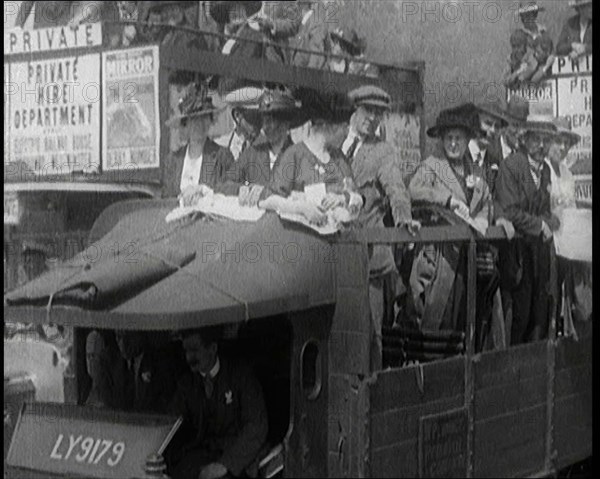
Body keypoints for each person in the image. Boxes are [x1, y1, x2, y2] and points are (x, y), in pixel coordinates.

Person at [408, 106, 513, 349]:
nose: (453, 144)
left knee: (468, 316)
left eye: (458, 139)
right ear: (442, 140)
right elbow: (413, 191)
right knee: (437, 315)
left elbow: (485, 201)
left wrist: (488, 220)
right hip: (441, 257)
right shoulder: (432, 166)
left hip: (469, 257)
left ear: (467, 140)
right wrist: (445, 199)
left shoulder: (476, 172)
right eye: (449, 139)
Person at [339, 85, 419, 370]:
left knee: (370, 334)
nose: (372, 118)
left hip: (368, 259)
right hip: (331, 255)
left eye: (378, 113)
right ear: (355, 109)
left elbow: (396, 187)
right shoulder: (333, 140)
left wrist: (403, 217)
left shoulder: (382, 151)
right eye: (367, 110)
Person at [167, 327, 268, 479]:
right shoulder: (186, 385)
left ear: (213, 348)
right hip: (199, 458)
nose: (189, 357)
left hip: (236, 459)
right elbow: (171, 422)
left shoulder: (241, 376)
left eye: (194, 350)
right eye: (186, 351)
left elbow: (256, 425)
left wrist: (226, 464)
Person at [494, 115, 560, 344]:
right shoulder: (511, 166)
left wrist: (550, 222)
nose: (541, 146)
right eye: (536, 140)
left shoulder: (545, 172)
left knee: (538, 316)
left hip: (537, 257)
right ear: (524, 139)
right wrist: (540, 225)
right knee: (517, 318)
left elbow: (546, 210)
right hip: (516, 255)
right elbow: (508, 210)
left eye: (546, 140)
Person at [257, 93, 360, 226]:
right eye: (344, 127)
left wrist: (343, 198)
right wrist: (301, 208)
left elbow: (357, 197)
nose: (347, 133)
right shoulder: (294, 155)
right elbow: (267, 200)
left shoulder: (339, 158)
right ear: (329, 126)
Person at [545, 117, 591, 335]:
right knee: (548, 295)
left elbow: (570, 207)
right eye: (558, 141)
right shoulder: (543, 168)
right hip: (546, 243)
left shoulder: (567, 174)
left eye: (566, 143)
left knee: (569, 291)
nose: (562, 148)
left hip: (567, 244)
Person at [218, 88, 303, 198]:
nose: (265, 127)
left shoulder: (300, 157)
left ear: (285, 124)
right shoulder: (252, 153)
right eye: (264, 121)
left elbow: (309, 193)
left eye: (271, 122)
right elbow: (223, 184)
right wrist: (242, 189)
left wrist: (266, 193)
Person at [162, 84, 234, 201]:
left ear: (211, 121)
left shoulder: (222, 156)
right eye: (194, 119)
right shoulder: (173, 160)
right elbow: (166, 198)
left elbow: (231, 190)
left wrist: (205, 192)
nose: (199, 124)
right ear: (186, 124)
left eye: (204, 118)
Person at [86, 330, 187, 413]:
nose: (123, 343)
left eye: (129, 337)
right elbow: (105, 400)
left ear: (140, 335)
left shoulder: (161, 362)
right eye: (119, 337)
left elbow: (166, 405)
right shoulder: (108, 361)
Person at [214, 87, 264, 162]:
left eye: (261, 119)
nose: (257, 127)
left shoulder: (264, 148)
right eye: (253, 119)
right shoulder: (220, 145)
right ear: (237, 115)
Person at [290, 0, 331, 69]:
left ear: (302, 6)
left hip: (308, 74)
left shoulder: (315, 23)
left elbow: (316, 54)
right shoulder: (305, 22)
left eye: (297, 5)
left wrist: (310, 75)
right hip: (300, 72)